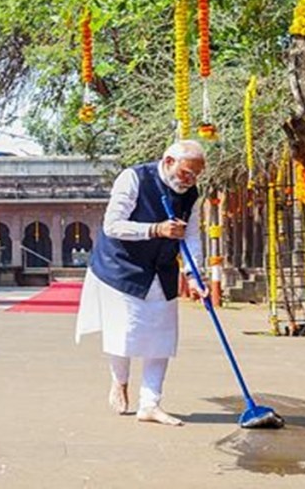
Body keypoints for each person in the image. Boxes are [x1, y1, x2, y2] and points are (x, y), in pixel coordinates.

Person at [75, 140, 208, 426]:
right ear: (169, 161)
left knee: (161, 337)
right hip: (120, 266)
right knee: (125, 333)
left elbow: (192, 235)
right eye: (186, 172)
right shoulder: (134, 178)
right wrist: (155, 229)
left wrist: (194, 275)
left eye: (196, 175)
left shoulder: (191, 194)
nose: (190, 180)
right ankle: (119, 380)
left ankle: (150, 404)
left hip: (161, 267)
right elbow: (112, 225)